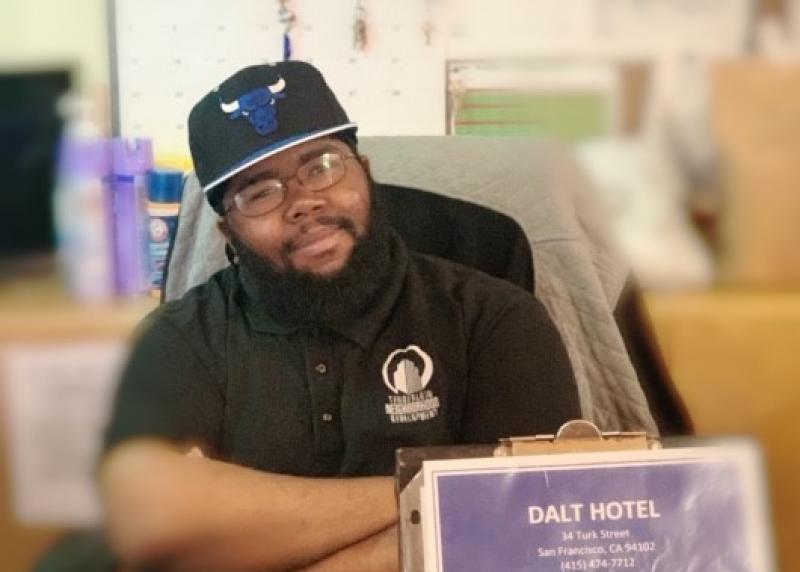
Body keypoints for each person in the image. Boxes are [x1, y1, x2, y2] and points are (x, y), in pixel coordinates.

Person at [100, 61, 582, 571]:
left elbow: (528, 523)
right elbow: (143, 523)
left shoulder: (494, 320)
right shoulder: (177, 341)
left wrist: (230, 513)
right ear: (228, 235)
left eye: (322, 165)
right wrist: (451, 493)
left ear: (367, 174)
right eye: (260, 191)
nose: (304, 201)